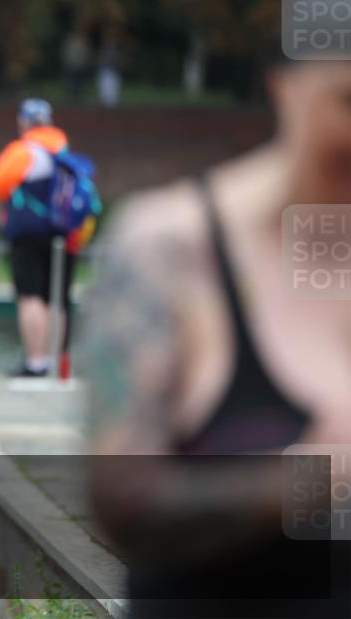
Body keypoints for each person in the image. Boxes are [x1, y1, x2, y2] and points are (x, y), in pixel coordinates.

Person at [81, 59, 351, 617]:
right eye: (348, 101)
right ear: (287, 89)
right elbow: (122, 501)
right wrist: (315, 479)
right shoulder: (170, 249)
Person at [0, 98, 97, 377]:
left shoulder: (23, 151)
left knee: (31, 296)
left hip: (28, 235)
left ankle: (36, 363)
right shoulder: (65, 152)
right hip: (65, 236)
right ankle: (60, 364)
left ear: (23, 122)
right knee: (58, 298)